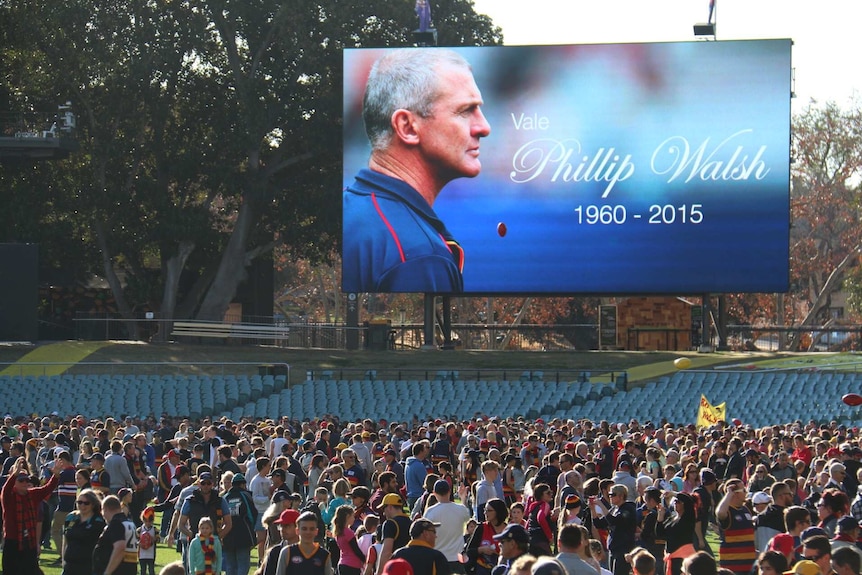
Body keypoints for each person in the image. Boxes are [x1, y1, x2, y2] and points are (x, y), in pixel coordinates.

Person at [342, 48, 491, 293]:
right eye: (465, 111)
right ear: (408, 127)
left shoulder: (348, 208)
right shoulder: (420, 255)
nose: (484, 127)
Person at [1, 455, 65, 574]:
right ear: (14, 482)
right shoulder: (9, 497)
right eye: (21, 480)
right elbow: (6, 489)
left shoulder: (33, 494)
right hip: (13, 542)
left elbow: (48, 488)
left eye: (27, 480)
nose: (25, 482)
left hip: (28, 542)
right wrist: (14, 475)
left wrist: (55, 475)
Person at [423, 479, 471, 574]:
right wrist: (462, 498)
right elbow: (467, 515)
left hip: (438, 557)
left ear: (434, 493)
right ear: (449, 491)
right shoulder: (460, 509)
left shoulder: (430, 512)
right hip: (457, 557)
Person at [592, 483, 638, 575]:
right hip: (613, 548)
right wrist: (592, 509)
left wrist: (601, 505)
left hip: (623, 549)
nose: (610, 497)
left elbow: (614, 521)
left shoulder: (628, 508)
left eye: (612, 495)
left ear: (621, 496)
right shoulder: (614, 509)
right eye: (609, 495)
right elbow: (599, 524)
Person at [61, 487, 106, 575]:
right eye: (79, 502)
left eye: (86, 503)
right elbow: (65, 539)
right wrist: (63, 559)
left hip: (88, 565)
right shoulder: (71, 518)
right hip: (70, 564)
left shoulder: (98, 521)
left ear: (93, 504)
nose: (82, 506)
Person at [716, 478, 756, 575]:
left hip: (749, 565)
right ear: (735, 493)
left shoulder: (745, 509)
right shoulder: (728, 511)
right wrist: (729, 493)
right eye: (743, 490)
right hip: (733, 566)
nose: (746, 492)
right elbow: (720, 513)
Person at [275, 510, 334, 575]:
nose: (308, 532)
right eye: (304, 529)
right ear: (297, 531)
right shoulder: (287, 552)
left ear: (316, 531)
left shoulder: (324, 555)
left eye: (311, 529)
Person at [92, 494, 139, 575]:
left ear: (105, 509)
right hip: (130, 568)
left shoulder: (116, 523)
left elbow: (120, 547)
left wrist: (107, 572)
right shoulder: (129, 522)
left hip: (117, 570)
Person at [222, 472, 259, 575]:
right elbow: (252, 514)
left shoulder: (225, 497)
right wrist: (251, 529)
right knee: (243, 564)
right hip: (244, 534)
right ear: (243, 484)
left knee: (230, 566)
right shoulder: (246, 495)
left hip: (228, 535)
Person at [656, 491, 698, 575]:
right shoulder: (672, 518)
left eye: (678, 502)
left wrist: (673, 493)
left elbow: (688, 500)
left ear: (684, 505)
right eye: (675, 501)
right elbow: (660, 534)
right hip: (670, 557)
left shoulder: (688, 518)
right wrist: (660, 516)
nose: (675, 503)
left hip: (683, 557)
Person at [464, 498, 509, 575]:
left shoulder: (508, 530)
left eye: (489, 510)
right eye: (485, 510)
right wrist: (481, 550)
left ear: (498, 512)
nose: (485, 513)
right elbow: (469, 551)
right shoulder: (481, 527)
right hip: (481, 569)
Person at [377, 493, 413, 574]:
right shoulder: (411, 522)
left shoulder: (390, 523)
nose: (383, 513)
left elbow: (386, 552)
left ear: (389, 507)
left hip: (396, 568)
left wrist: (379, 573)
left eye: (384, 508)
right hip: (410, 568)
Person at [262, 508, 300, 575]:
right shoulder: (275, 552)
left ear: (297, 527)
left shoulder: (306, 550)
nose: (282, 529)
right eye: (281, 526)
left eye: (287, 526)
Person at [334, 504, 366, 575]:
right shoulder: (348, 532)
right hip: (352, 565)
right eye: (353, 516)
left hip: (342, 563)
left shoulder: (338, 532)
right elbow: (356, 550)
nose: (354, 519)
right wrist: (365, 559)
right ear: (347, 517)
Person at [138, 506, 160, 575]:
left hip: (151, 554)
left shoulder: (155, 530)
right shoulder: (139, 530)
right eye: (146, 521)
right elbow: (135, 540)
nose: (148, 523)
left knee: (151, 570)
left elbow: (158, 540)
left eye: (150, 521)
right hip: (142, 554)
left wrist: (153, 539)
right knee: (143, 570)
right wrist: (139, 543)